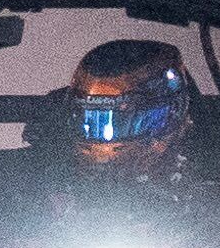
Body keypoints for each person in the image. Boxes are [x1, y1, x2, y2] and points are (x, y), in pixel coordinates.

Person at [64, 37, 196, 177]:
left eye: (120, 123)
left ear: (170, 114)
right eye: (91, 122)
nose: (105, 148)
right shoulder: (57, 174)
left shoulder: (206, 179)